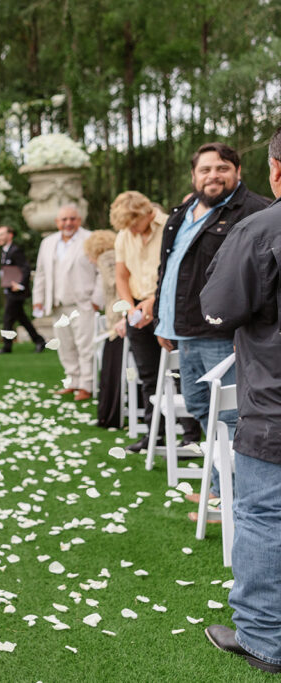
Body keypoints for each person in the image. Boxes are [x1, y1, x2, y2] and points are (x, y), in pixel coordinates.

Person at [201, 125, 281, 675]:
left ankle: (261, 637)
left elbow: (217, 308)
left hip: (275, 405)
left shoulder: (261, 229)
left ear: (275, 170)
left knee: (262, 515)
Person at [153, 143, 270, 513]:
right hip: (183, 332)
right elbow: (167, 271)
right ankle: (221, 487)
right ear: (194, 175)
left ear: (238, 171)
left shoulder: (256, 211)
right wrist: (162, 317)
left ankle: (236, 500)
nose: (213, 175)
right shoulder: (182, 211)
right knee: (203, 408)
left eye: (222, 168)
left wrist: (246, 331)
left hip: (225, 336)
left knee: (233, 416)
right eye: (205, 169)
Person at [109, 191, 200, 452]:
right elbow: (122, 277)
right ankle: (154, 434)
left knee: (178, 371)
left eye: (133, 224)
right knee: (148, 375)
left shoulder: (172, 225)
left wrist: (153, 302)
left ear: (146, 213)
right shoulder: (124, 235)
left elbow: (177, 270)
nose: (132, 231)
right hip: (137, 310)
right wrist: (128, 308)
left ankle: (191, 436)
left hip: (168, 306)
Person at [32, 204, 99, 401]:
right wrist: (38, 300)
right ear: (57, 222)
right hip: (57, 303)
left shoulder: (91, 239)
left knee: (85, 346)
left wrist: (97, 300)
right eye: (64, 219)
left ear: (79, 220)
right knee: (65, 345)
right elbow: (41, 274)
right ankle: (73, 382)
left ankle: (87, 385)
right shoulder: (48, 242)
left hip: (83, 303)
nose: (68, 223)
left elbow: (103, 272)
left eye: (72, 219)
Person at [84, 230, 122, 426]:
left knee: (111, 365)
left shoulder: (107, 259)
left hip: (118, 323)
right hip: (117, 321)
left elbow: (116, 288)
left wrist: (119, 318)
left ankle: (110, 415)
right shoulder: (114, 255)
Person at [0, 224, 45, 355]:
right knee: (22, 319)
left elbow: (25, 269)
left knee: (7, 318)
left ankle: (7, 347)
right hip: (9, 290)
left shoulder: (15, 251)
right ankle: (39, 341)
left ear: (10, 235)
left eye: (1, 234)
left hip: (17, 292)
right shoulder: (4, 251)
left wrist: (20, 285)